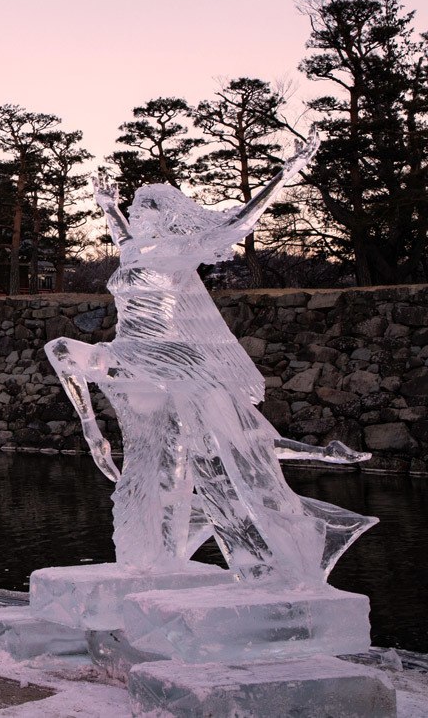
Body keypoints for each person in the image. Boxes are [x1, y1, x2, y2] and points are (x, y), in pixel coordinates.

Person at [45, 134, 375, 586]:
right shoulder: (131, 249)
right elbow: (119, 230)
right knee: (61, 349)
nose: (138, 219)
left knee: (224, 437)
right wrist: (107, 204)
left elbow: (240, 219)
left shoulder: (181, 251)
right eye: (136, 212)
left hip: (167, 356)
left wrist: (286, 172)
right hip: (127, 350)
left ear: (167, 221)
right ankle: (96, 440)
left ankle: (311, 469)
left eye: (147, 212)